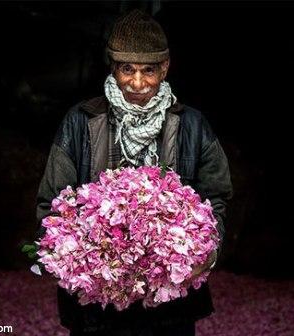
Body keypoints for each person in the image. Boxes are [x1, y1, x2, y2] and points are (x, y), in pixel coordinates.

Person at [36, 9, 232, 336]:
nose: (138, 83)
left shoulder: (193, 126)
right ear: (113, 68)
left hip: (170, 305)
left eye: (149, 70)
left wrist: (207, 253)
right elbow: (52, 202)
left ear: (165, 68)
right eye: (127, 69)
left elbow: (218, 196)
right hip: (98, 307)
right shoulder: (80, 121)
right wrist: (74, 258)